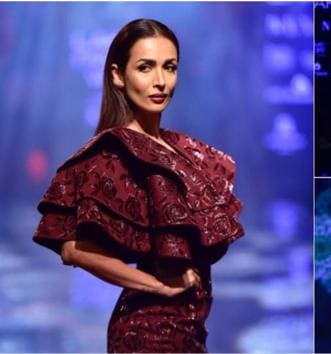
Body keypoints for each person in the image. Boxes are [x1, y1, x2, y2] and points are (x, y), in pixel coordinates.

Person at [32, 19, 244, 353]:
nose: (161, 81)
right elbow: (74, 249)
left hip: (189, 328)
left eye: (170, 68)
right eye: (145, 68)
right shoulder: (114, 151)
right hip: (147, 332)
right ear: (118, 75)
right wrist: (158, 286)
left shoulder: (183, 150)